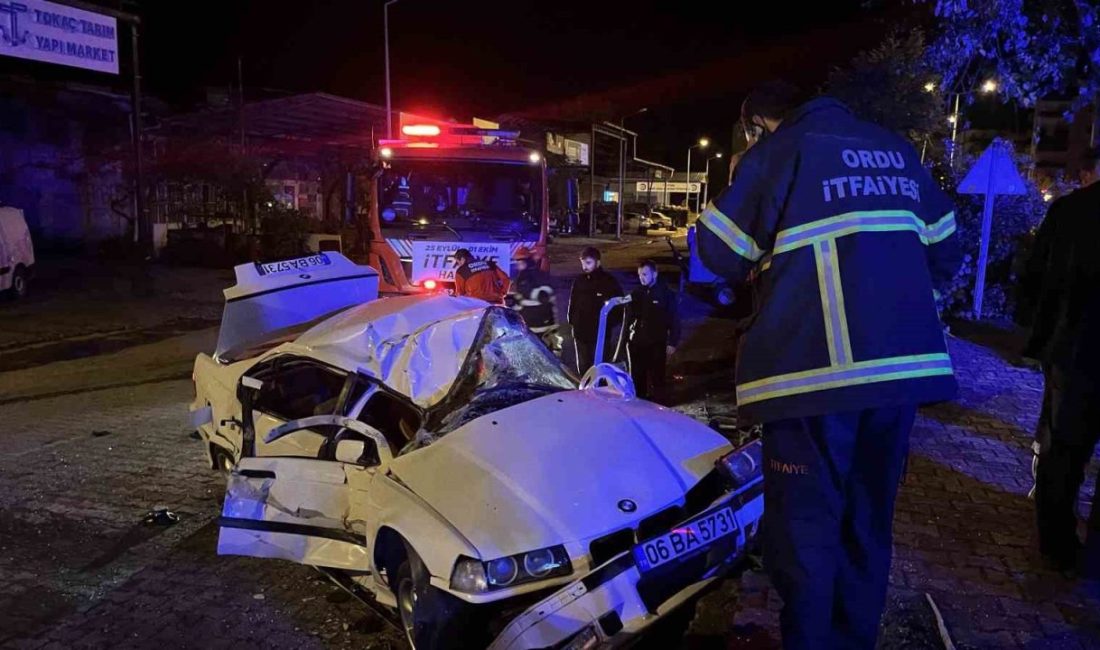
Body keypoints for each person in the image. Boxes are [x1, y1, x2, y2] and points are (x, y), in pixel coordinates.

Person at [696, 80, 961, 649]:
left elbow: (719, 252)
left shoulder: (779, 152)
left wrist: (745, 174)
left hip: (810, 378)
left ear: (757, 123)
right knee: (867, 525)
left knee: (806, 536)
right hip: (897, 379)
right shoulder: (893, 148)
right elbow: (946, 249)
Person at [1018, 150, 1100, 578]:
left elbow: (1034, 276)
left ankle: (1056, 542)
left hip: (1073, 350)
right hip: (1073, 348)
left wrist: (1039, 334)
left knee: (1063, 448)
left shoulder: (1070, 211)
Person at [623, 259, 680, 403]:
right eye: (639, 275)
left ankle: (658, 407)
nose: (642, 278)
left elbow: (674, 319)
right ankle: (640, 405)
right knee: (637, 378)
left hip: (656, 343)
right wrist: (626, 339)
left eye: (645, 274)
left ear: (654, 274)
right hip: (637, 343)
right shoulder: (637, 293)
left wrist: (672, 342)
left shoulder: (666, 294)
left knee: (657, 378)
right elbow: (628, 318)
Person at [567, 246, 623, 375]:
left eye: (588, 263)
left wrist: (607, 325)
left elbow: (618, 306)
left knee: (600, 369)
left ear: (598, 262)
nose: (585, 267)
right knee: (583, 369)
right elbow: (573, 302)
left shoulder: (609, 282)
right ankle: (585, 392)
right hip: (580, 333)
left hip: (600, 335)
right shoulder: (579, 281)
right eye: (583, 263)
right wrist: (573, 321)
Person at [509, 247, 560, 352]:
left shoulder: (523, 279)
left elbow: (520, 302)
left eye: (519, 263)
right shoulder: (541, 275)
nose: (518, 266)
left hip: (532, 326)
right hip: (545, 326)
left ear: (525, 262)